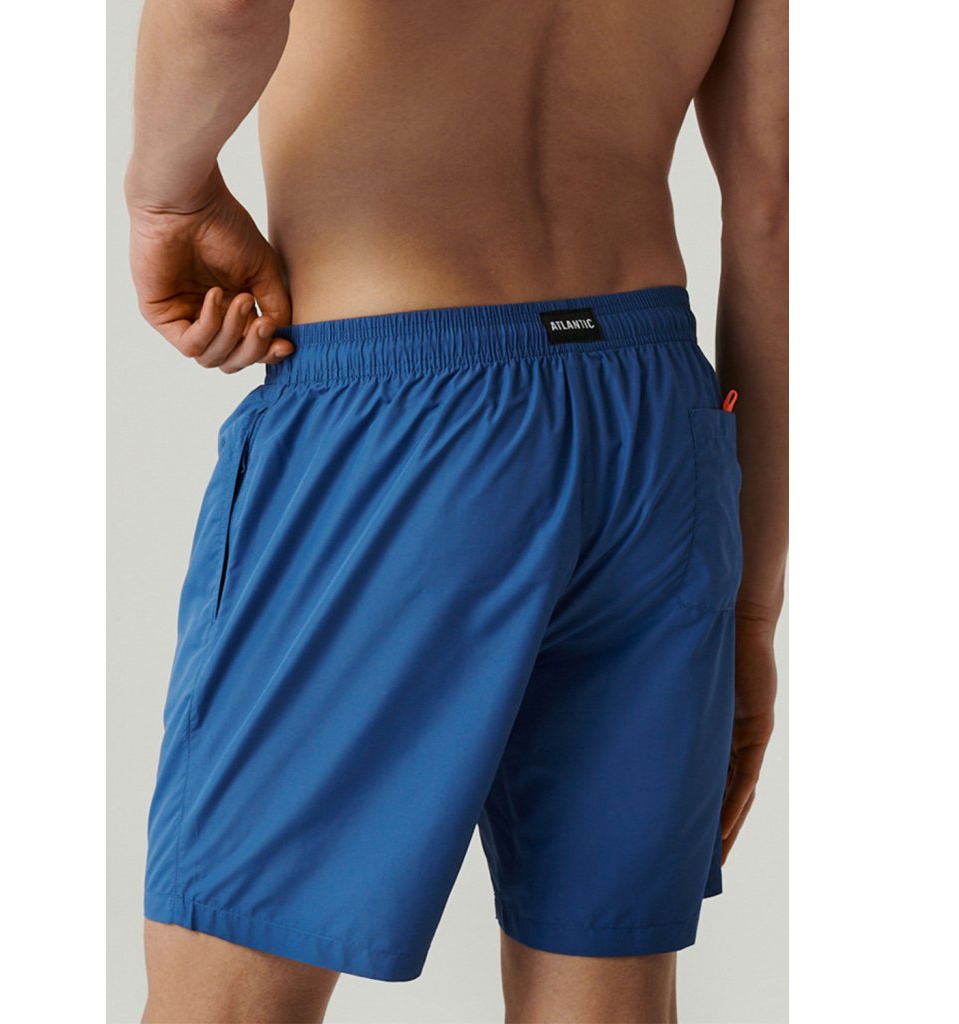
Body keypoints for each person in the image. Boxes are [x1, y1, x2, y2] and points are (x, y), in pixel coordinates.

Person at [123, 0, 787, 1020]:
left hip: (400, 409)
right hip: (657, 427)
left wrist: (166, 195)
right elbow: (776, 215)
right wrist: (750, 607)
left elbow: (224, 7)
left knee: (226, 997)